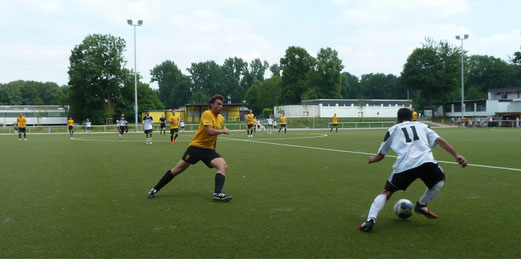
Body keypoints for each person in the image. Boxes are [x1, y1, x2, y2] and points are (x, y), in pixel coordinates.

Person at [359, 108, 467, 232]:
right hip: (426, 162)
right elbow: (439, 140)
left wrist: (372, 159)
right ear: (412, 118)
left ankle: (370, 220)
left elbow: (381, 155)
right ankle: (422, 204)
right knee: (439, 180)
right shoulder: (422, 125)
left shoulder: (393, 129)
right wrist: (456, 155)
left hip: (405, 166)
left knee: (387, 192)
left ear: (397, 120)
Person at [147, 94, 232, 202]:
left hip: (208, 150)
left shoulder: (221, 118)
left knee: (223, 166)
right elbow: (210, 131)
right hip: (196, 148)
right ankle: (154, 189)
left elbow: (214, 136)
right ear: (211, 104)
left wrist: (214, 147)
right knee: (178, 169)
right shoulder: (207, 113)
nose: (221, 106)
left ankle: (217, 193)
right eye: (218, 104)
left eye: (222, 104)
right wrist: (223, 131)